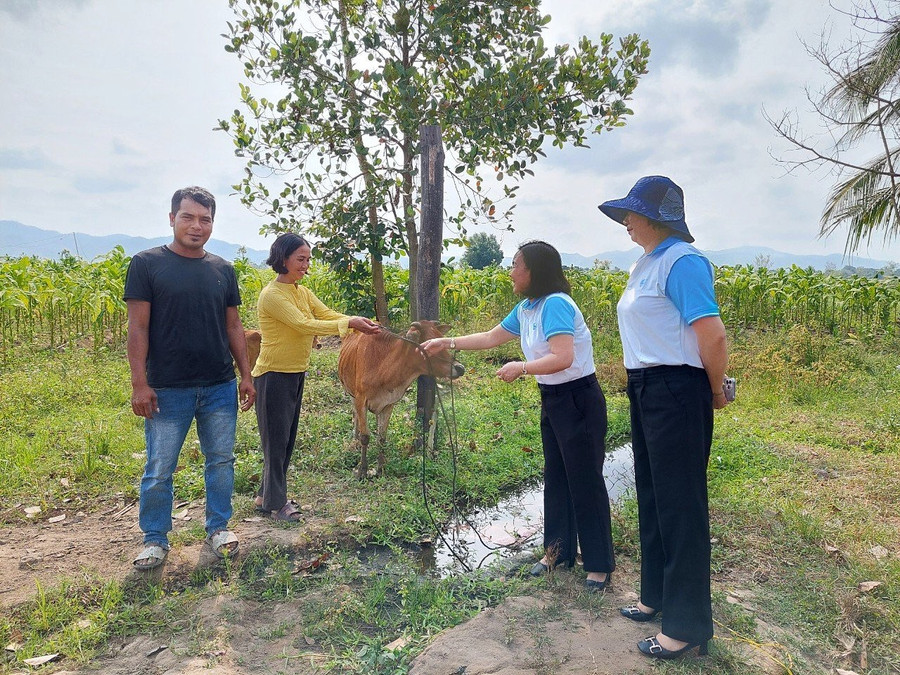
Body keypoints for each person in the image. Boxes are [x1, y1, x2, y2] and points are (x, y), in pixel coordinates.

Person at [422, 240, 614, 590]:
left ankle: (599, 565)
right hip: (553, 398)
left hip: (578, 399)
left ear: (534, 271)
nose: (511, 271)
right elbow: (491, 337)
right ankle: (558, 552)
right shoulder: (528, 307)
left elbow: (563, 358)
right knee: (556, 475)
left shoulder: (555, 305)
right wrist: (445, 344)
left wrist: (521, 367)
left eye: (515, 265)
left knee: (584, 480)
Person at [598, 175, 729, 660]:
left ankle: (687, 626)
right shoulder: (646, 264)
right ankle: (655, 596)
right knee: (652, 497)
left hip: (677, 389)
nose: (625, 222)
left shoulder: (682, 262)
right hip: (647, 387)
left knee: (680, 507)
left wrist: (714, 390)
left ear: (654, 219)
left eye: (631, 214)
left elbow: (711, 335)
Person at [125, 186, 256, 571]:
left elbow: (233, 325)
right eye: (188, 217)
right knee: (160, 466)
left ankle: (218, 528)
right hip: (167, 388)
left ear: (212, 223)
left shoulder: (222, 270)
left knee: (221, 460)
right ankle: (154, 539)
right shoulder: (147, 264)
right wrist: (139, 383)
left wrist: (246, 375)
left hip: (218, 386)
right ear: (171, 219)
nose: (197, 226)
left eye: (205, 219)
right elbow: (137, 329)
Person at [252, 233, 380, 521]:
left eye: (308, 259)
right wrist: (349, 324)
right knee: (275, 442)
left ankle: (266, 496)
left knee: (284, 439)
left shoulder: (301, 292)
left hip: (295, 372)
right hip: (273, 375)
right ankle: (276, 504)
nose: (306, 265)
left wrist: (359, 322)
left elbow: (324, 313)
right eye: (301, 259)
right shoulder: (272, 295)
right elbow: (303, 324)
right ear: (282, 258)